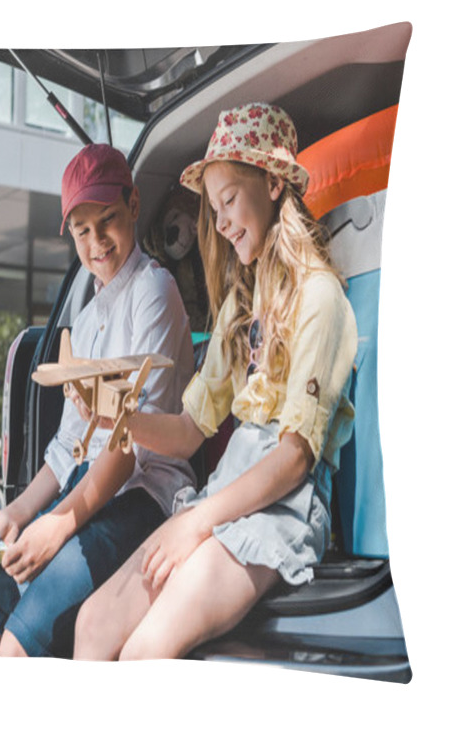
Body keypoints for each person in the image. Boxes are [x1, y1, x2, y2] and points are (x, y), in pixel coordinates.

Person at [73, 103, 358, 660]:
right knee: (93, 622)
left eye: (229, 201)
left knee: (143, 652)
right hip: (222, 495)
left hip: (282, 507)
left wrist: (197, 522)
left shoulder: (321, 299)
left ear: (274, 184)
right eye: (214, 208)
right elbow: (187, 431)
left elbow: (296, 458)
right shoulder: (238, 307)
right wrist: (118, 415)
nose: (221, 222)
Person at [0, 143, 196, 658]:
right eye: (82, 230)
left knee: (16, 648)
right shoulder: (82, 324)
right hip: (87, 488)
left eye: (106, 220)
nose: (96, 241)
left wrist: (58, 524)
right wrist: (17, 513)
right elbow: (67, 447)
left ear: (134, 204)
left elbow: (129, 440)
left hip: (144, 495)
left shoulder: (155, 289)